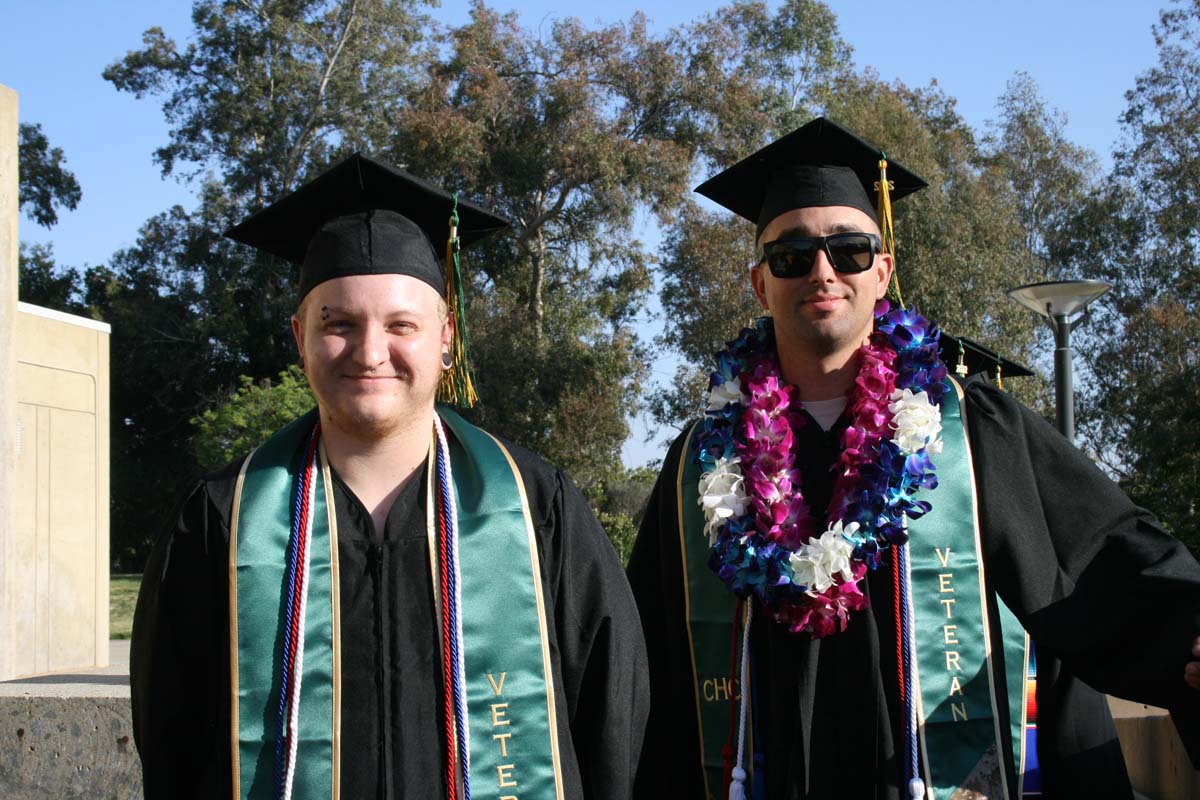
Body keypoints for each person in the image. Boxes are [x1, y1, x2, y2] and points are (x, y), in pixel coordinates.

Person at [627, 117, 1200, 800]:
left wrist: (1185, 629)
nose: (822, 271)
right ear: (760, 285)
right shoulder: (702, 460)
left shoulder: (974, 429)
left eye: (850, 251)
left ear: (882, 271)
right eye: (792, 255)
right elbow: (644, 653)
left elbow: (1100, 556)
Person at [130, 153, 649, 800]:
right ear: (299, 336)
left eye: (402, 324)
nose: (370, 351)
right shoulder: (221, 520)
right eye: (338, 324)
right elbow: (172, 743)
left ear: (446, 338)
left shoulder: (537, 507)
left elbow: (613, 726)